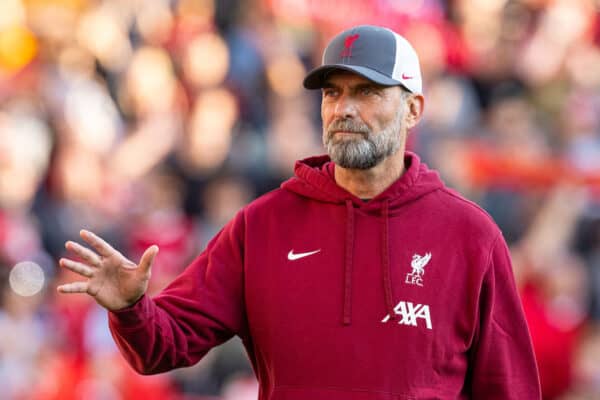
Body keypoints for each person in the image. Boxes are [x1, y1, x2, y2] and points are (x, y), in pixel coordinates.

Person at [58, 25, 541, 399]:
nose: (344, 108)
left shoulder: (470, 235)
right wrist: (130, 308)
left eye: (367, 92)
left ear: (413, 109)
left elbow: (509, 387)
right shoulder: (261, 226)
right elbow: (164, 344)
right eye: (333, 92)